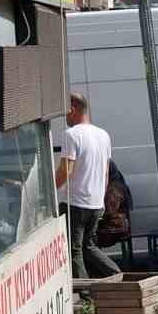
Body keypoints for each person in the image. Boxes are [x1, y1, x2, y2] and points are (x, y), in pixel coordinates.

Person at [56, 93, 121, 280]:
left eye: (65, 112)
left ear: (72, 109)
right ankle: (115, 275)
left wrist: (47, 191)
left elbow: (65, 171)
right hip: (95, 204)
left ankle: (85, 297)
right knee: (88, 246)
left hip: (75, 203)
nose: (65, 117)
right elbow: (106, 173)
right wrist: (100, 199)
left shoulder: (71, 135)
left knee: (74, 249)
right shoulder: (103, 135)